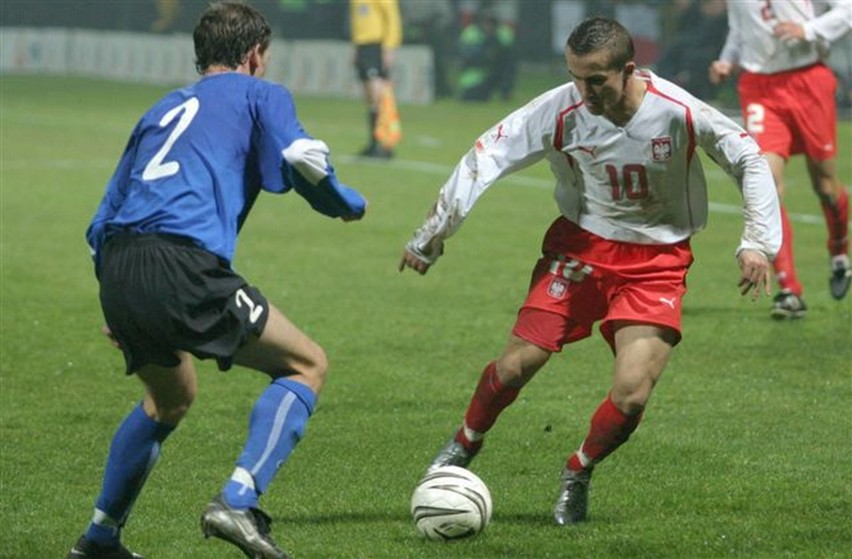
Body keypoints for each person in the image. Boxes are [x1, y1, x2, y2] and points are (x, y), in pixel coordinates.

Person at [399, 16, 781, 525]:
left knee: (631, 394)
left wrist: (756, 242)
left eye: (596, 80)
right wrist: (432, 235)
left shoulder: (679, 111)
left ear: (629, 70)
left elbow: (749, 158)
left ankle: (578, 470)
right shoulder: (560, 109)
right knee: (516, 366)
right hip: (580, 250)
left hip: (656, 263)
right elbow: (485, 156)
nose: (584, 91)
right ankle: (466, 441)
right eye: (576, 77)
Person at [65, 3, 367, 559]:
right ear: (255, 55)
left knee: (169, 399)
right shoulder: (263, 93)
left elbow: (99, 223)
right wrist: (348, 204)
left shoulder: (161, 108)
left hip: (121, 267)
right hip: (182, 264)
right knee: (306, 364)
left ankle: (99, 539)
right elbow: (303, 161)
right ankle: (238, 500)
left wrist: (118, 302)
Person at [709, 0, 852, 319]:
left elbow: (847, 9)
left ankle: (839, 250)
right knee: (767, 184)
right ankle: (789, 290)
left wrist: (809, 29)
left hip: (808, 80)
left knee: (826, 185)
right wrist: (726, 60)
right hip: (760, 88)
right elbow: (739, 28)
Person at [350, 0, 402, 158]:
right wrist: (356, 47)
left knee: (378, 93)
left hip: (376, 45)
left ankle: (384, 144)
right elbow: (359, 21)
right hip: (363, 45)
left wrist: (389, 46)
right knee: (370, 96)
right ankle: (374, 142)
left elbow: (392, 18)